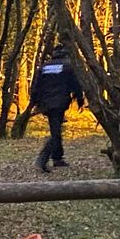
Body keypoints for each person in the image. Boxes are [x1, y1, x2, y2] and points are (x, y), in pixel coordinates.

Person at [31, 42, 84, 172]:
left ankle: (57, 158)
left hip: (47, 103)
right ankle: (42, 160)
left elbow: (36, 86)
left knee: (56, 129)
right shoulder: (68, 66)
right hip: (60, 102)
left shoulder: (44, 67)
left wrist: (36, 103)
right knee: (56, 132)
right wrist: (80, 99)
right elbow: (75, 84)